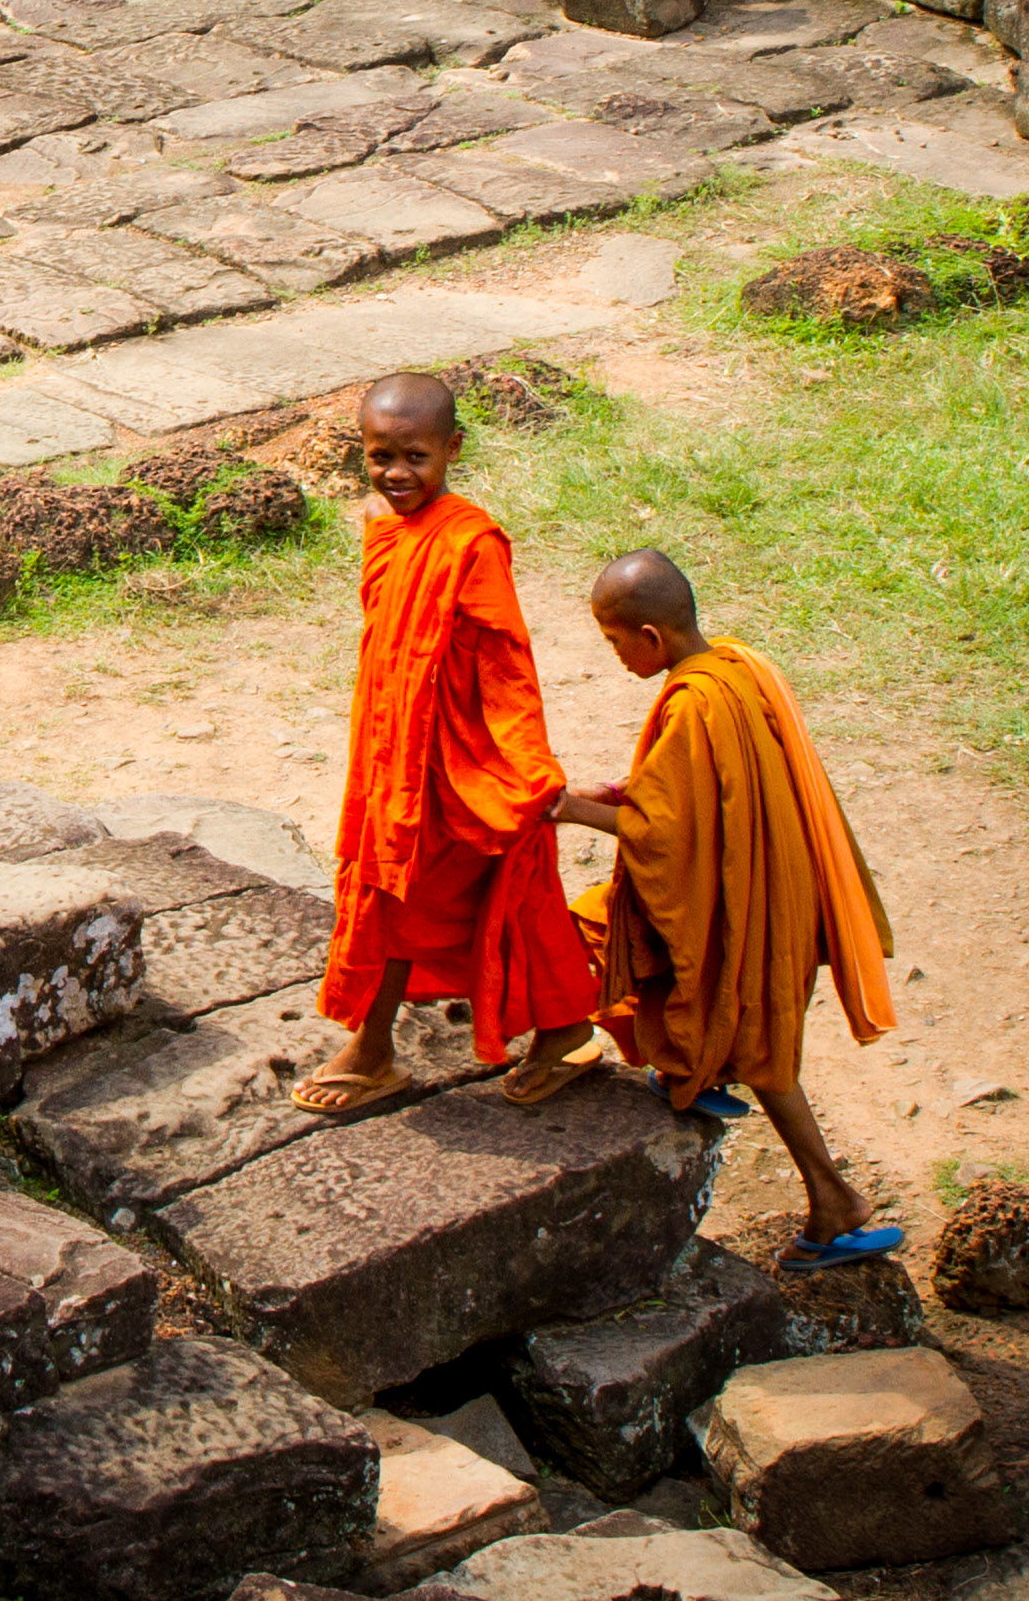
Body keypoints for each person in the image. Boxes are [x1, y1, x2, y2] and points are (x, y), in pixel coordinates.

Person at [558, 549, 903, 1265]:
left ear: (649, 638)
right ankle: (702, 1077)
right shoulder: (740, 666)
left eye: (614, 642)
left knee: (597, 936)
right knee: (748, 1029)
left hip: (745, 900)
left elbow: (665, 830)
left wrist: (574, 810)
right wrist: (633, 787)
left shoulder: (693, 700)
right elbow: (711, 782)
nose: (616, 657)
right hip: (774, 878)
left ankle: (832, 1200)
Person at [293, 371, 609, 1114]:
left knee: (463, 892)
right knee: (394, 892)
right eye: (380, 456)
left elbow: (505, 663)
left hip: (456, 763)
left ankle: (377, 1051)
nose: (396, 474)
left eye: (416, 458)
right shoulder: (384, 527)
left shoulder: (472, 543)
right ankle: (560, 1030)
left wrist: (523, 764)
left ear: (453, 450)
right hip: (391, 754)